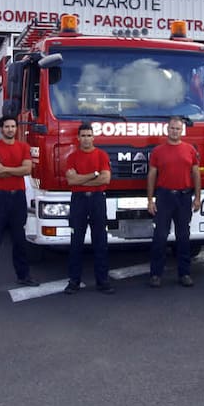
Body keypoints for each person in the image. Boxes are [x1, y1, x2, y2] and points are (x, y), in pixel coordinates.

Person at [0, 115, 40, 291]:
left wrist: (4, 168)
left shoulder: (23, 147)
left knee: (20, 240)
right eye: (7, 126)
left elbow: (27, 169)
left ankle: (23, 276)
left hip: (18, 198)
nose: (10, 129)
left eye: (13, 126)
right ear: (1, 129)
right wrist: (15, 171)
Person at [146, 115, 201, 287]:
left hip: (184, 197)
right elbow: (152, 175)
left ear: (182, 130)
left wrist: (197, 197)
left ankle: (184, 274)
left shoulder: (190, 150)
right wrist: (150, 200)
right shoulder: (158, 151)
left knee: (183, 237)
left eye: (178, 128)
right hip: (164, 197)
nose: (175, 131)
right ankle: (156, 275)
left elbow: (196, 174)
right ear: (167, 129)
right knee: (160, 237)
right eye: (172, 128)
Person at [64, 124, 114, 295]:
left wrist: (81, 180)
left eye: (89, 135)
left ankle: (103, 281)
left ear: (94, 138)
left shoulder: (102, 155)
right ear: (78, 138)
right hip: (78, 201)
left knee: (100, 241)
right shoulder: (72, 157)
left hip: (97, 201)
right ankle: (73, 281)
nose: (86, 138)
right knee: (76, 242)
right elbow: (71, 181)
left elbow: (105, 179)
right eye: (83, 135)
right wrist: (93, 175)